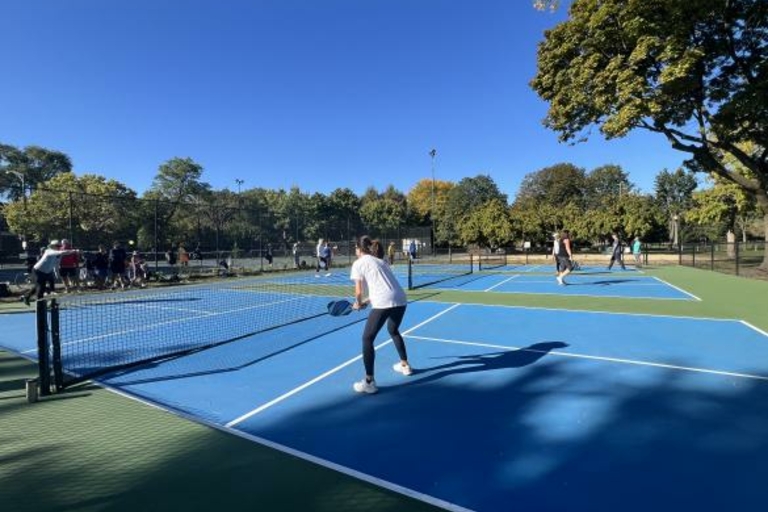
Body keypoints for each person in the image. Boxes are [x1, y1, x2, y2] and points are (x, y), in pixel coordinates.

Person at [350, 235, 411, 394]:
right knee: (393, 330)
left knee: (367, 338)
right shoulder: (380, 261)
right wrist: (364, 301)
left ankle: (369, 382)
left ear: (358, 249)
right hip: (401, 299)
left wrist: (357, 302)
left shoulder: (358, 263)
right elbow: (386, 287)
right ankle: (405, 365)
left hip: (384, 301)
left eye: (355, 248)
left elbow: (358, 290)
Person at [21, 240, 79, 306]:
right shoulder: (49, 251)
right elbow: (63, 252)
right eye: (57, 246)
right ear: (52, 246)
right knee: (40, 288)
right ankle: (39, 305)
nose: (59, 247)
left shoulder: (58, 254)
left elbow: (56, 264)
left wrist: (56, 273)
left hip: (49, 272)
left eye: (60, 246)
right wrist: (74, 251)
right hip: (38, 271)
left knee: (52, 289)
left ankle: (53, 303)